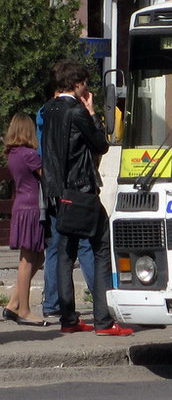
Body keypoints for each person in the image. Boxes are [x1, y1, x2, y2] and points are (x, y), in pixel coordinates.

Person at [40, 60, 132, 336]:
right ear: (78, 84)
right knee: (101, 248)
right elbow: (101, 144)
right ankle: (104, 320)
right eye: (85, 84)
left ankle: (68, 319)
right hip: (80, 191)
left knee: (64, 253)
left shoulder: (48, 109)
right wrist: (92, 112)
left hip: (55, 191)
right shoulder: (76, 111)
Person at [37, 100, 96, 319]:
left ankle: (52, 302)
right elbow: (96, 144)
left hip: (51, 188)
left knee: (55, 248)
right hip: (73, 188)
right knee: (86, 245)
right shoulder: (70, 113)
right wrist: (91, 114)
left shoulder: (44, 114)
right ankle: (101, 300)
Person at [2, 113, 50, 326]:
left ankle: (13, 304)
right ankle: (25, 310)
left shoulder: (12, 154)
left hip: (20, 205)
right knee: (28, 260)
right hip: (32, 207)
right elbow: (46, 176)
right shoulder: (30, 155)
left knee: (38, 258)